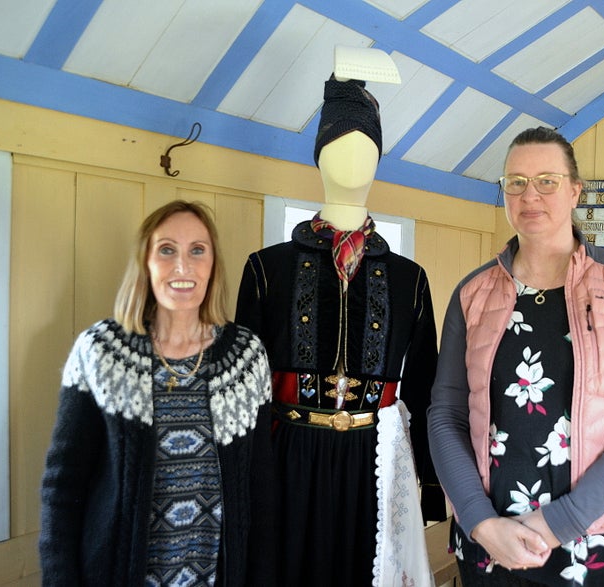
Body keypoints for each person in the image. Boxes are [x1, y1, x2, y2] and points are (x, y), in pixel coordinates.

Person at [428, 127, 604, 586]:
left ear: (575, 190)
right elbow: (446, 415)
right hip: (493, 540)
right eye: (515, 182)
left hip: (602, 539)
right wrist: (479, 520)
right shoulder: (473, 294)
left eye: (547, 180)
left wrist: (560, 521)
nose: (530, 195)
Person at [235, 75, 444, 586]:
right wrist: (245, 477)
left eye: (367, 151)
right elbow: (246, 387)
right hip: (290, 455)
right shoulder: (267, 268)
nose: (353, 165)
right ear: (319, 156)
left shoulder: (409, 279)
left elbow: (425, 385)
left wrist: (431, 483)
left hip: (373, 460)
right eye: (338, 148)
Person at [39, 200, 274, 586]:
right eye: (167, 250)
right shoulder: (100, 351)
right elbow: (62, 486)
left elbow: (261, 490)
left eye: (197, 250)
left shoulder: (246, 357)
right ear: (145, 263)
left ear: (213, 264)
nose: (183, 267)